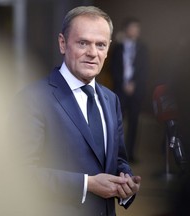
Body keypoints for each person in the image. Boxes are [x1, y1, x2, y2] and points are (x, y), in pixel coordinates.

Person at [9, 6, 141, 216]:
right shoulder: (33, 99)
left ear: (108, 50)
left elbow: (118, 160)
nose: (92, 53)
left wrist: (126, 183)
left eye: (100, 45)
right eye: (83, 43)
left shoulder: (110, 99)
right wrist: (86, 184)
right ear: (63, 43)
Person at [110, 17, 149, 163]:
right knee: (116, 123)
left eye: (137, 28)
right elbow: (113, 68)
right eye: (133, 28)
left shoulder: (143, 48)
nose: (136, 31)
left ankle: (130, 154)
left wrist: (134, 84)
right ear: (126, 29)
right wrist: (123, 84)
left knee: (134, 123)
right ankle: (115, 155)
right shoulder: (117, 47)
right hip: (120, 89)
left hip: (136, 91)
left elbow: (145, 69)